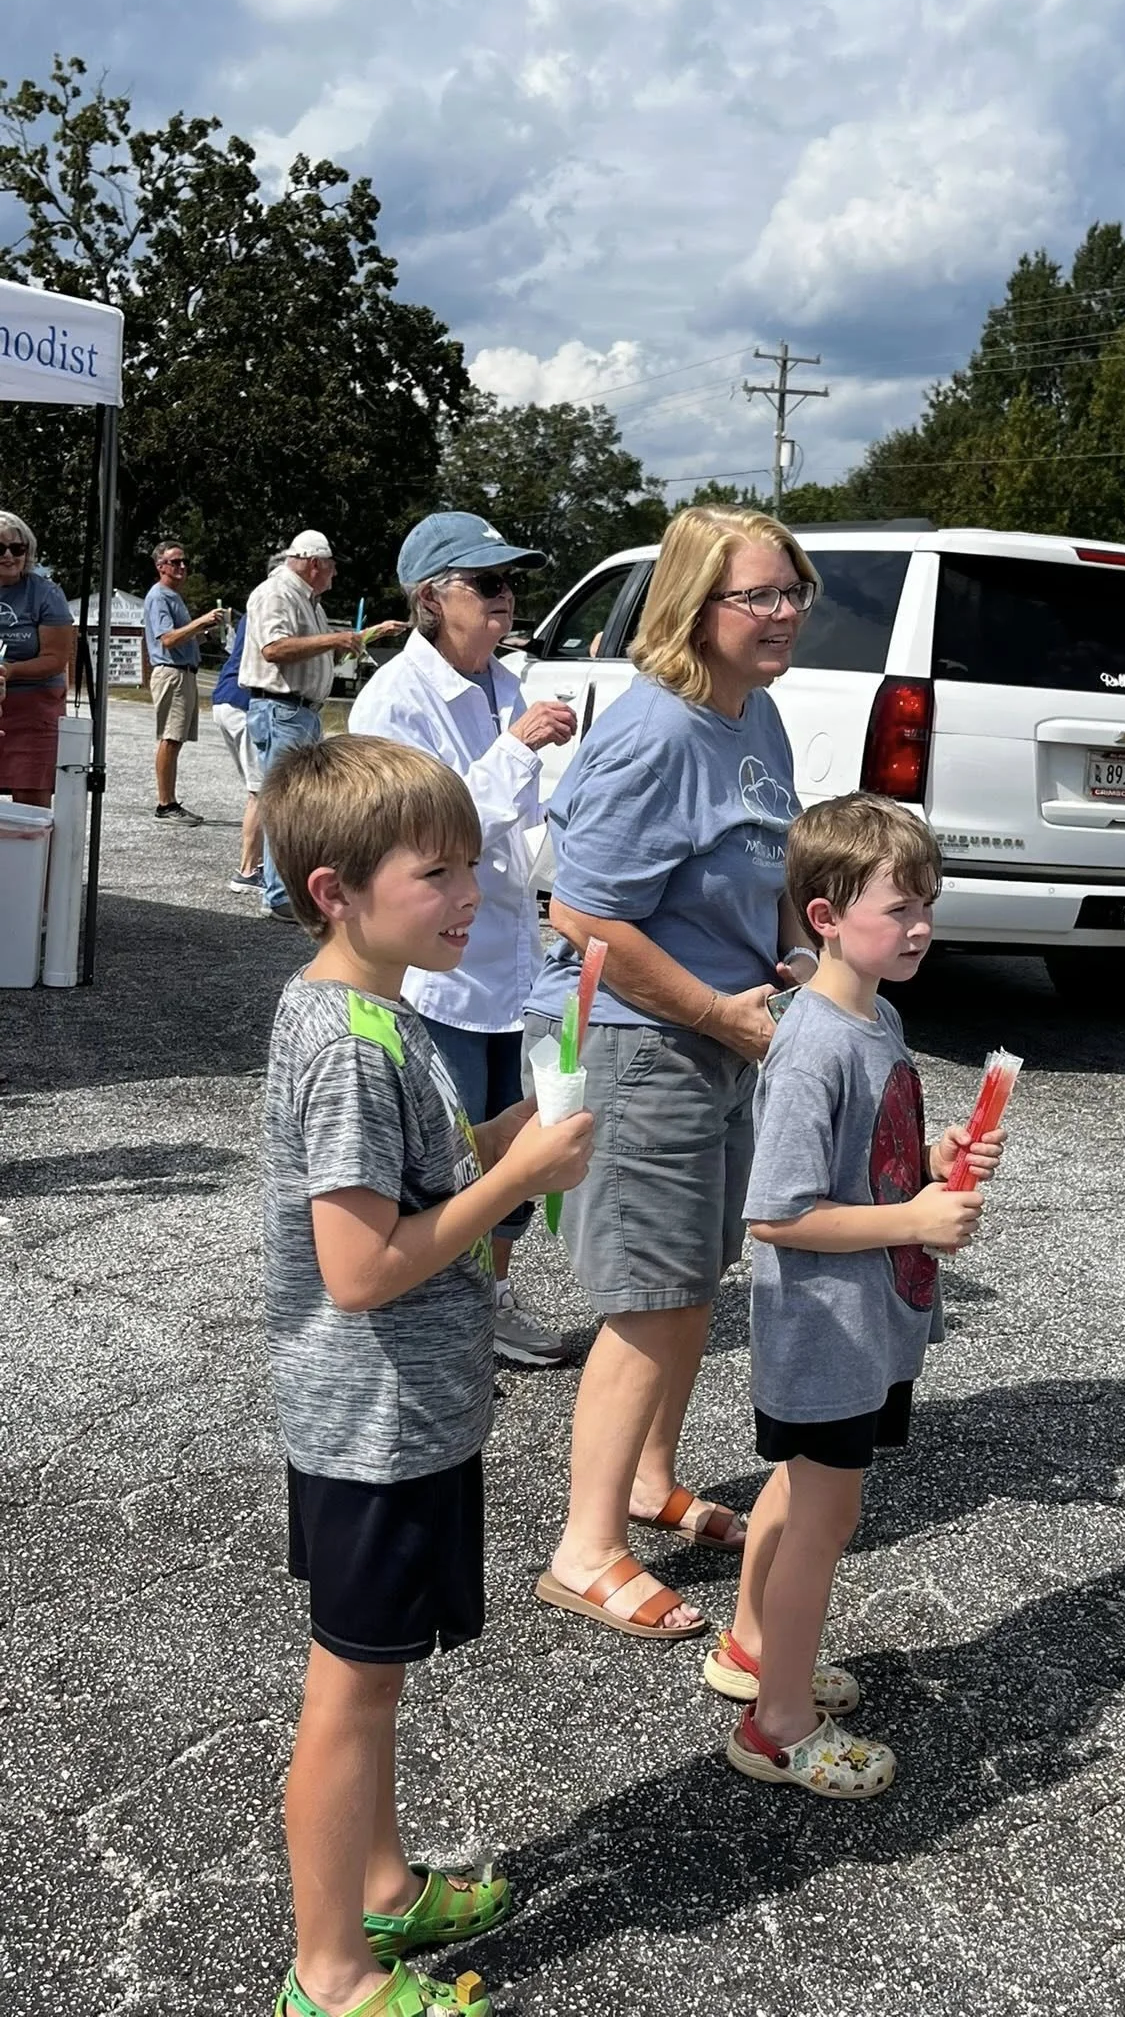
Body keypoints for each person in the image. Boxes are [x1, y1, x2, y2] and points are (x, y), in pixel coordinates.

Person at [257, 732, 593, 2017]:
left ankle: (382, 1887)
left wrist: (510, 1132)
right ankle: (329, 1972)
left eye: (474, 866)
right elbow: (359, 1265)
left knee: (378, 1675)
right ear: (336, 890)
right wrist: (514, 1182)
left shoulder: (379, 1013)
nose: (472, 894)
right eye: (438, 871)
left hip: (406, 1409)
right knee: (350, 1685)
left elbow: (425, 1181)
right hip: (371, 1418)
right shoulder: (347, 1039)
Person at [526, 503, 821, 1641]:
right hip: (646, 1043)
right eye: (761, 593)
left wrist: (798, 952)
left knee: (695, 1277)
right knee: (648, 1296)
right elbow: (585, 911)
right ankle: (585, 1546)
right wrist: (719, 1012)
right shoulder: (653, 729)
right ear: (694, 607)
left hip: (728, 1036)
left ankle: (650, 1483)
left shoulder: (757, 715)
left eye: (792, 588)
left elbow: (772, 872)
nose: (785, 610)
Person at [717, 793, 1005, 1797]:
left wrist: (933, 1159)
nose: (922, 924)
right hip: (826, 1326)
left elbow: (866, 1165)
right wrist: (915, 1221)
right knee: (824, 1519)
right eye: (900, 905)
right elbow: (778, 1213)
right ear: (826, 913)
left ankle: (755, 1650)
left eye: (929, 901)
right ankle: (780, 1723)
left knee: (800, 1492)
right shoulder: (815, 1045)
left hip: (865, 1317)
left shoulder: (877, 1013)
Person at [349, 511, 577, 1368]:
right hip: (441, 966)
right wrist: (517, 753)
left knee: (518, 1130)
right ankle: (435, 1302)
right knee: (447, 1145)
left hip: (510, 953)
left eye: (510, 583)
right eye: (485, 584)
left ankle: (491, 1294)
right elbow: (425, 835)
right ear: (428, 600)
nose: (505, 599)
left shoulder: (504, 684)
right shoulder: (393, 700)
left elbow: (528, 818)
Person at [240, 531, 401, 923]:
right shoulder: (277, 593)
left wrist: (364, 636)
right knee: (287, 803)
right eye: (331, 566)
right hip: (283, 707)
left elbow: (308, 645)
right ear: (315, 564)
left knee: (295, 801)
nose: (334, 574)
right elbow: (274, 649)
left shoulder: (306, 598)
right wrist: (335, 639)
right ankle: (279, 896)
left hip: (298, 709)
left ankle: (285, 893)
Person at [143, 538, 225, 824]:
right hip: (171, 673)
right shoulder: (159, 597)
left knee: (176, 740)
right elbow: (167, 640)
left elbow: (183, 638)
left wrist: (206, 633)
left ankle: (170, 800)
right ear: (160, 566)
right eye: (175, 561)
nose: (182, 566)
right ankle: (165, 804)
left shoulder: (174, 597)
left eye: (184, 561)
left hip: (185, 672)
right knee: (171, 737)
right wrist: (200, 622)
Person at [0, 508, 76, 810]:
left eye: (17, 548)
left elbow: (56, 658)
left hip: (34, 707)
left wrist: (9, 671)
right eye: (0, 548)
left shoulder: (46, 593)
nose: (8, 556)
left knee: (30, 802)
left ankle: (28, 857)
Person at [210, 591, 268, 891]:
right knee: (260, 790)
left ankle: (253, 865)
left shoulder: (251, 610)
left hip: (224, 698)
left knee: (256, 789)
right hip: (243, 702)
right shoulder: (272, 607)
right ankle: (247, 870)